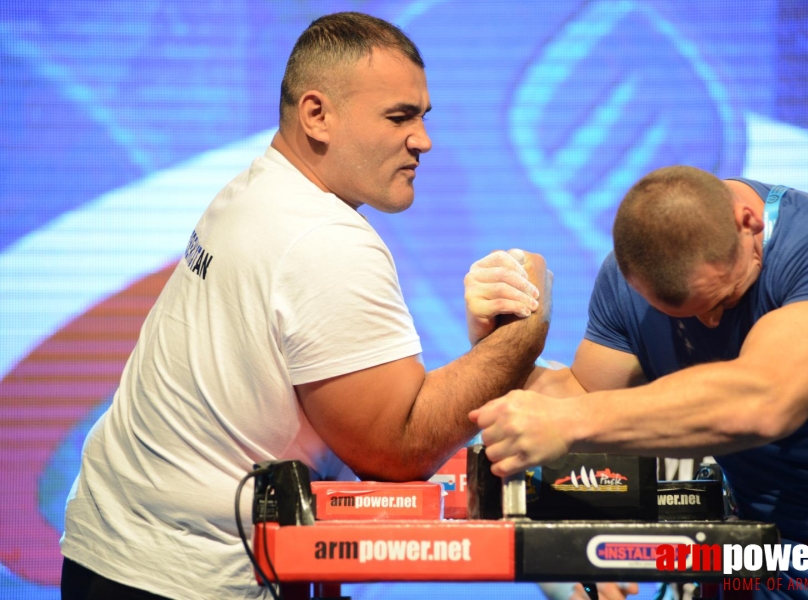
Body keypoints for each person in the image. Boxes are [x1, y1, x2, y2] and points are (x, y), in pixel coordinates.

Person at [60, 12, 552, 600]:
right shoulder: (323, 240)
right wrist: (524, 329)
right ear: (317, 115)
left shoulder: (256, 189)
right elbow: (397, 450)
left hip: (113, 554)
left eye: (422, 116)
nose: (423, 139)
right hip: (180, 580)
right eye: (400, 117)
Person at [471, 165, 808, 598]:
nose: (709, 323)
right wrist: (499, 340)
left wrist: (568, 422)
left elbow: (765, 400)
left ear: (748, 222)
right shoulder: (629, 276)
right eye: (681, 315)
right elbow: (580, 398)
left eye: (724, 299)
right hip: (748, 556)